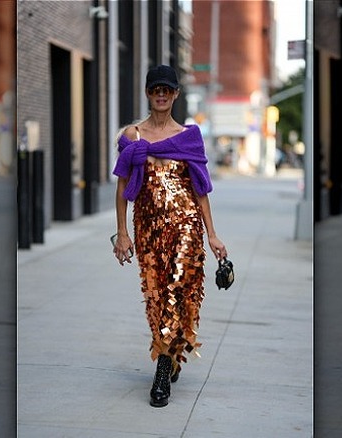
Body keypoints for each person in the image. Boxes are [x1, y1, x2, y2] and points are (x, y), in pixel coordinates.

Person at [112, 65, 227, 408]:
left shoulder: (189, 136)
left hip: (186, 226)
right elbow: (122, 187)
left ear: (176, 94)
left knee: (178, 291)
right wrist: (121, 232)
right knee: (155, 296)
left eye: (167, 89)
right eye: (155, 89)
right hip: (146, 227)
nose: (161, 94)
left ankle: (162, 370)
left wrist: (212, 234)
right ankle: (172, 350)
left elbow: (200, 189)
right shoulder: (133, 137)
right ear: (148, 94)